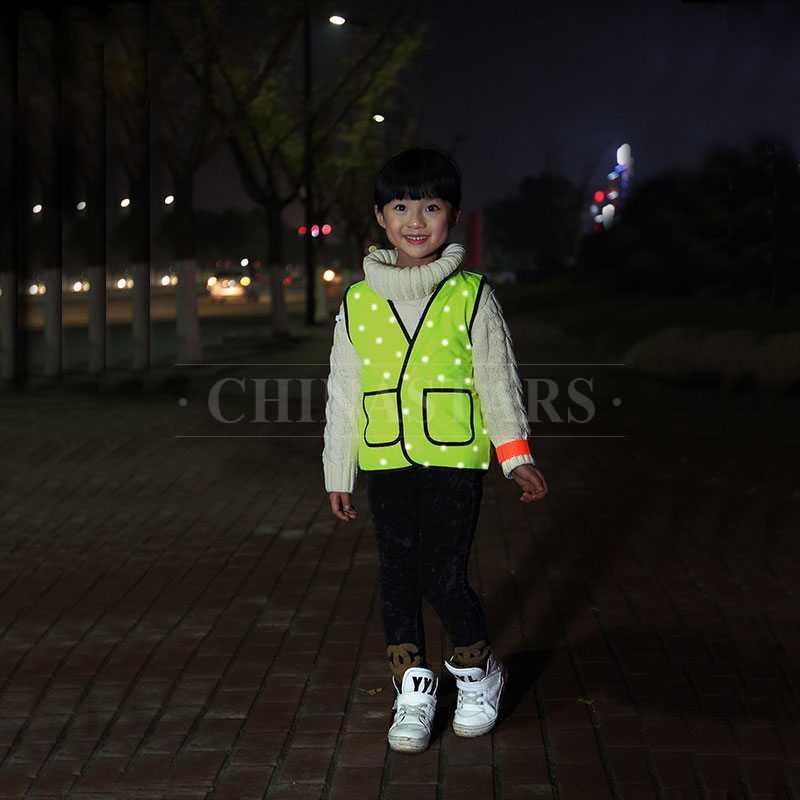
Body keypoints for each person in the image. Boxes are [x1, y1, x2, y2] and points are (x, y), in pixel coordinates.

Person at [322, 147, 548, 753]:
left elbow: (498, 379)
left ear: (452, 216)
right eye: (401, 206)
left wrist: (515, 454)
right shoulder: (357, 300)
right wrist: (337, 470)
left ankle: (477, 673)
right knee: (396, 573)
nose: (415, 220)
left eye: (431, 206)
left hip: (455, 456)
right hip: (384, 458)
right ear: (380, 216)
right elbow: (343, 391)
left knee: (443, 575)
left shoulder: (472, 294)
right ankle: (413, 687)